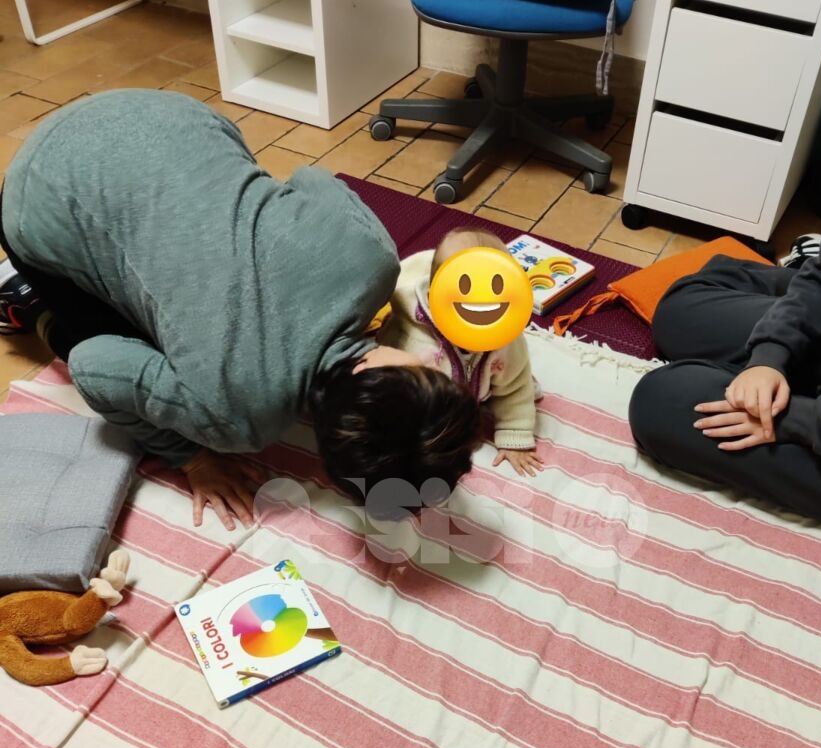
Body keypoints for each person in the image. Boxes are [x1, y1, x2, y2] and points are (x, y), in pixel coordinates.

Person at [0, 89, 480, 529]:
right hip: (36, 192)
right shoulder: (235, 421)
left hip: (157, 110)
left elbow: (309, 179)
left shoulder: (373, 258)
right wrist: (193, 458)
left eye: (429, 371)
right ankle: (25, 300)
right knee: (105, 336)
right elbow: (92, 366)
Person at [628, 0, 821, 532]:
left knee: (659, 402)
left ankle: (789, 357)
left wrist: (795, 418)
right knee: (680, 305)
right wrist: (770, 357)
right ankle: (784, 332)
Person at [364, 227, 544, 477]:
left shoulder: (507, 340)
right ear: (433, 294)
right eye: (466, 288)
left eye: (496, 287)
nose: (481, 303)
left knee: (514, 377)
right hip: (427, 397)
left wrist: (515, 436)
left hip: (482, 388)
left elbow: (516, 388)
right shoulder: (411, 339)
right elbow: (393, 389)